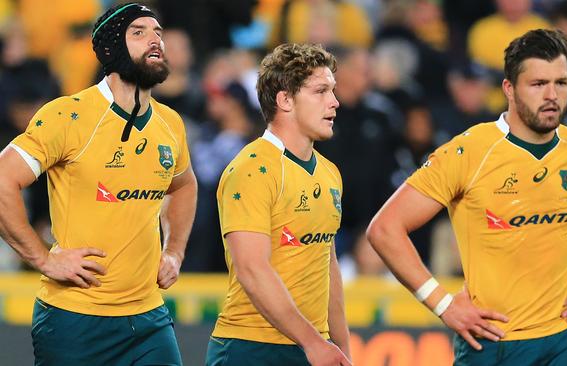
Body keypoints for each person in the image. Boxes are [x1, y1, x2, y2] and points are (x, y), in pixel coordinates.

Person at [367, 29, 567, 365]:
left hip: (566, 342)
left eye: (561, 83)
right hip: (491, 344)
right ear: (509, 89)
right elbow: (385, 229)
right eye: (538, 83)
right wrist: (442, 304)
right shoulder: (469, 151)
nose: (552, 95)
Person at [0, 3, 197, 365]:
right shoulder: (68, 115)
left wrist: (175, 251)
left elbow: (184, 186)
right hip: (75, 321)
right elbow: (2, 179)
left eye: (158, 32)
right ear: (110, 48)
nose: (155, 39)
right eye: (139, 32)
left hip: (150, 320)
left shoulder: (170, 123)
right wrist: (42, 259)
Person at [206, 43, 352, 366]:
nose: (335, 102)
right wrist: (314, 343)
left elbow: (328, 266)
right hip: (251, 348)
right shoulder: (251, 169)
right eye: (320, 91)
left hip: (312, 346)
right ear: (284, 100)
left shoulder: (330, 174)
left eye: (333, 90)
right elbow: (252, 269)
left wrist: (341, 348)